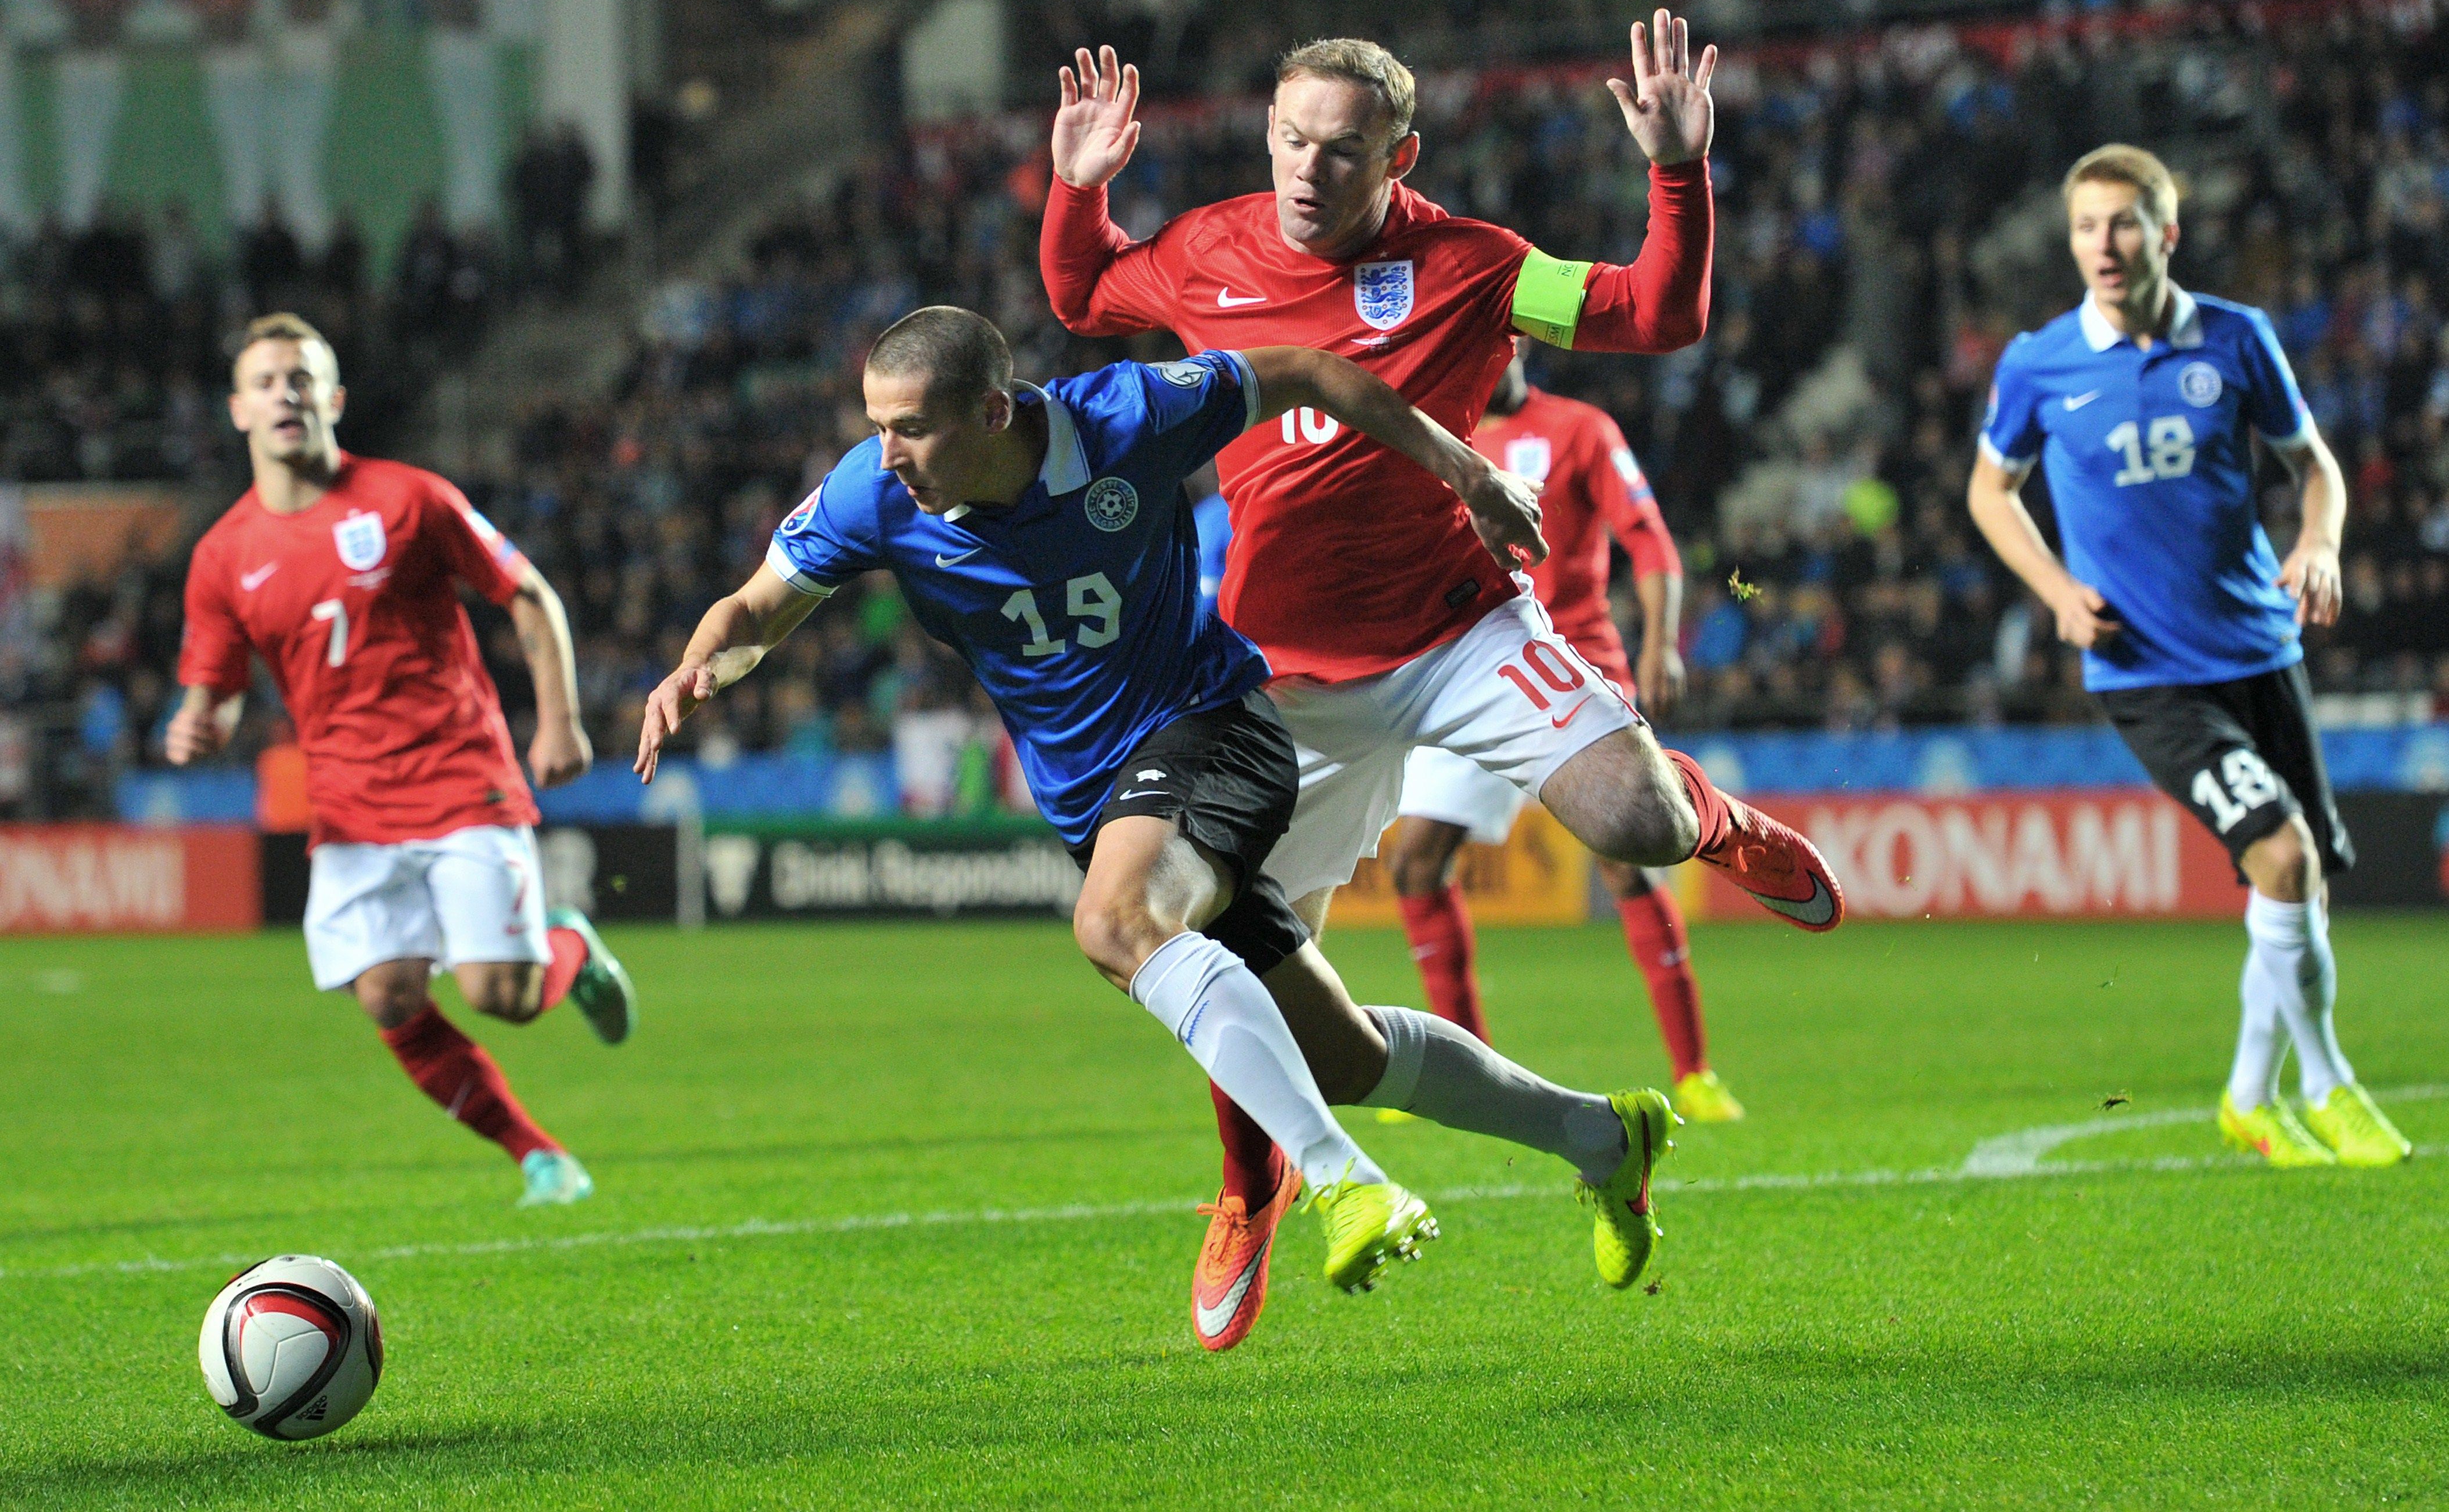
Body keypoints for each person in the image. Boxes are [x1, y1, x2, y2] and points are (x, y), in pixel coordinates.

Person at [635, 307, 1680, 1345]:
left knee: (1115, 924)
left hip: (1215, 732)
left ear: (995, 413)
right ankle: (1601, 1136)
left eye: (911, 427)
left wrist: (1466, 473)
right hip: (1101, 802)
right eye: (876, 426)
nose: (887, 453)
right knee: (1342, 1058)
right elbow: (757, 606)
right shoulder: (876, 493)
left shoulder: (1132, 414)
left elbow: (1314, 372)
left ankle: (1339, 1183)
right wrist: (703, 665)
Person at [1038, 16, 1843, 1348]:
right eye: (1289, 140)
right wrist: (1076, 185)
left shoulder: (1471, 264)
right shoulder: (1205, 252)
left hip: (1456, 628)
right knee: (1224, 945)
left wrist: (1676, 172)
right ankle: (1253, 1184)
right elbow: (1081, 294)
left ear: (1396, 155)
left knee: (1636, 825)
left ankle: (1716, 818)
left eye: (1339, 150)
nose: (1306, 169)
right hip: (1278, 684)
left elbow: (1658, 312)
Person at [1966, 143, 2407, 1170]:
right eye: (2085, 227)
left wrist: (2321, 540)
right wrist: (2057, 595)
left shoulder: (2239, 340)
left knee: (2295, 887)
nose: (2103, 246)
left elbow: (2315, 467)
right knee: (2284, 856)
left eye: (2123, 224)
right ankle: (2330, 1085)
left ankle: (2250, 1100)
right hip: (2149, 670)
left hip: (2260, 647)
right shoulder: (2040, 363)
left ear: (2166, 234)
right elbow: (1991, 492)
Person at [167, 313, 635, 1208]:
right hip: (348, 808)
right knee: (387, 998)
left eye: (302, 378)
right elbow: (216, 682)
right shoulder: (223, 555)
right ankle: (538, 1156)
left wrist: (561, 720)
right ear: (238, 411)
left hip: (461, 778)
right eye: (266, 382)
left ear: (333, 398)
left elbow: (526, 594)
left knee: (504, 993)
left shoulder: (409, 499)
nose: (285, 395)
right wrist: (202, 721)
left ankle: (570, 944)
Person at [1380, 340, 1741, 1124]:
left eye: (1496, 341)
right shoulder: (1440, 434)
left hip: (1572, 662)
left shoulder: (1581, 428)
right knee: (1414, 863)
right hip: (1473, 663)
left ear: (1520, 346)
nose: (1482, 358)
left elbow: (1649, 539)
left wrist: (1656, 644)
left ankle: (1695, 1072)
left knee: (1623, 864)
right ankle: (1460, 1070)